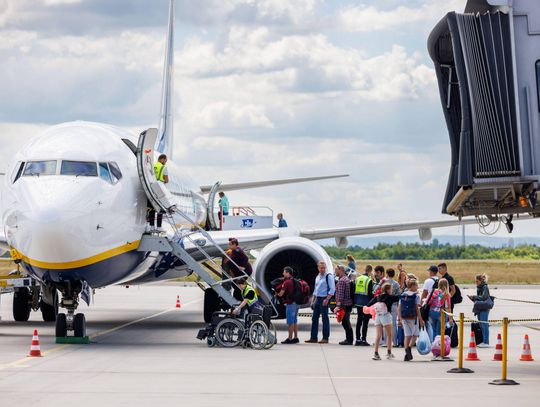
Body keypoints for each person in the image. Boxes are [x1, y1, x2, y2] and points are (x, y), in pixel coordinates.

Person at [305, 261, 335, 344]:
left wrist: (327, 299)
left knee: (325, 319)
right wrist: (313, 300)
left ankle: (325, 338)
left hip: (324, 299)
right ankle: (313, 337)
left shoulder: (328, 276)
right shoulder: (318, 277)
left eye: (324, 268)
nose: (322, 269)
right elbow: (316, 289)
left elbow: (332, 289)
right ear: (318, 268)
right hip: (317, 299)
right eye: (321, 268)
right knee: (314, 318)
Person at [367, 283, 400, 360]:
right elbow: (399, 297)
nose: (391, 291)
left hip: (378, 316)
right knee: (389, 335)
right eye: (391, 289)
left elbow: (369, 304)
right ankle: (389, 352)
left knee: (378, 336)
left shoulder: (378, 296)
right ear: (388, 289)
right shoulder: (390, 297)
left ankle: (376, 353)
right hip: (386, 316)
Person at [397, 279, 424, 361]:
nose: (417, 287)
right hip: (413, 318)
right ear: (412, 286)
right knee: (415, 335)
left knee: (407, 335)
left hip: (404, 317)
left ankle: (407, 352)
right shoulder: (416, 296)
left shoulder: (403, 295)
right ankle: (408, 349)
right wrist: (421, 319)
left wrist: (399, 318)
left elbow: (399, 308)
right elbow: (417, 309)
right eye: (416, 285)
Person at [277, 267, 299, 344]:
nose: (283, 274)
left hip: (290, 304)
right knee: (295, 321)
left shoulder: (286, 282)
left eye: (284, 272)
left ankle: (289, 338)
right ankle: (295, 337)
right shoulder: (295, 281)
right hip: (296, 303)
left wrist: (277, 293)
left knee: (290, 322)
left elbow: (281, 294)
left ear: (288, 273)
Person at [468, 273, 491, 347]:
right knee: (481, 324)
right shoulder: (479, 287)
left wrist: (475, 297)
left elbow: (484, 298)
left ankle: (486, 342)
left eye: (477, 281)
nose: (476, 283)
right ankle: (484, 341)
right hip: (480, 307)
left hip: (484, 307)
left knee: (484, 324)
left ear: (481, 281)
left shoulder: (484, 287)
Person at [148, 153, 168, 231]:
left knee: (151, 208)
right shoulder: (163, 167)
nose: (165, 162)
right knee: (160, 208)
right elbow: (166, 180)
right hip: (159, 188)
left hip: (151, 188)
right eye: (165, 160)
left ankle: (151, 226)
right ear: (162, 159)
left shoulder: (152, 166)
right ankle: (159, 226)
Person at [354, 264, 373, 346]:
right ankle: (364, 340)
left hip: (358, 303)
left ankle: (357, 339)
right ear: (370, 271)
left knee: (359, 321)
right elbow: (370, 293)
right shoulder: (369, 280)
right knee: (365, 322)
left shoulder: (357, 279)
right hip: (366, 304)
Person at [334, 265, 353, 345]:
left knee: (345, 322)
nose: (335, 272)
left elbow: (341, 295)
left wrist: (338, 306)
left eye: (336, 270)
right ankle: (349, 339)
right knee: (346, 322)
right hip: (348, 304)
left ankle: (349, 340)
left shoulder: (341, 281)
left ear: (340, 270)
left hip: (344, 305)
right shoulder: (346, 279)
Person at [386, 268, 401, 347]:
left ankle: (386, 342)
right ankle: (395, 342)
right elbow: (399, 294)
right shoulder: (396, 284)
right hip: (394, 305)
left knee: (386, 323)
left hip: (386, 305)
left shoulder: (385, 283)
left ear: (387, 274)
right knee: (394, 324)